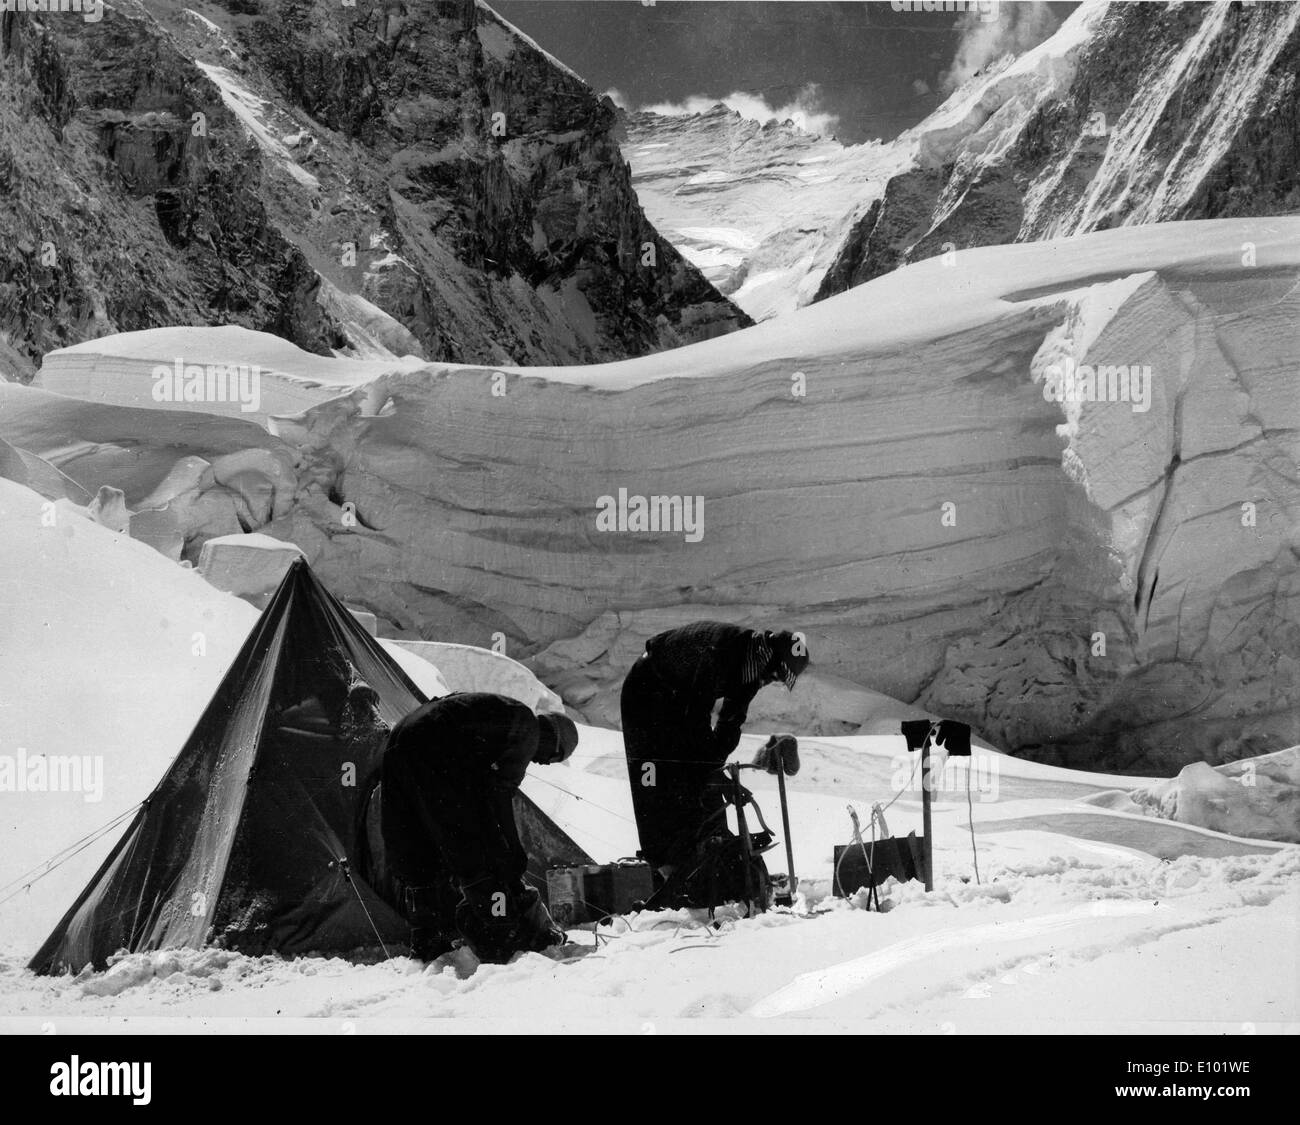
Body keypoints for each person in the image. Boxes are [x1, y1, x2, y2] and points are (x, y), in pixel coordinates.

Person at [378, 692, 579, 962]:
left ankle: (426, 940)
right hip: (434, 746)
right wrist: (513, 850)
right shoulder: (526, 727)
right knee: (470, 849)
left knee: (415, 845)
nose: (541, 763)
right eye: (551, 758)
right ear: (552, 740)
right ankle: (501, 934)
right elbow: (499, 797)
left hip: (400, 739)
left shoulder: (501, 715)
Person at [620, 622, 810, 897]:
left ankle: (704, 864)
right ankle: (664, 867)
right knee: (655, 776)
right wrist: (712, 776)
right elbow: (694, 718)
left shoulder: (751, 669)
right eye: (777, 675)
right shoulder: (723, 651)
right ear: (770, 658)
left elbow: (730, 724)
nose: (773, 681)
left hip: (676, 700)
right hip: (647, 691)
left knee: (696, 776)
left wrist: (717, 773)